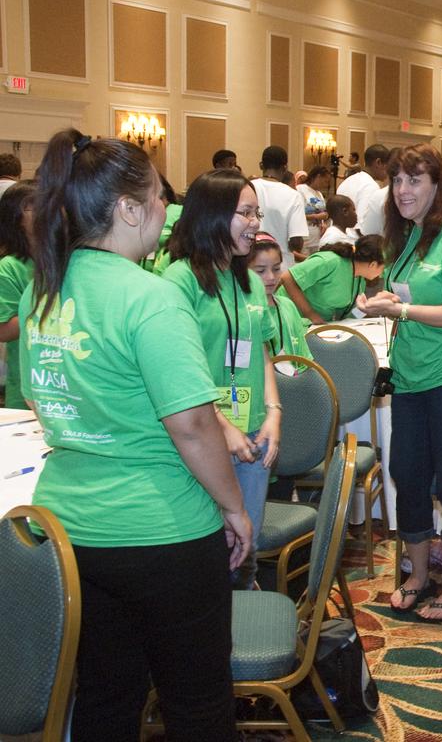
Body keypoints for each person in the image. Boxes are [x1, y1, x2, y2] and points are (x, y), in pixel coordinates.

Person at [20, 129, 250, 740]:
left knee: (103, 699)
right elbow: (194, 426)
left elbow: (46, 402)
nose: (164, 211)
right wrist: (234, 507)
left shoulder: (43, 291)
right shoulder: (150, 299)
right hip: (161, 532)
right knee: (197, 703)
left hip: (66, 534)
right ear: (126, 209)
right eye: (156, 198)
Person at [357, 143, 442, 622]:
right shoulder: (409, 237)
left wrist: (401, 308)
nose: (403, 190)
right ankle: (416, 574)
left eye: (414, 180)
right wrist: (390, 299)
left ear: (437, 185)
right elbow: (411, 294)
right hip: (410, 379)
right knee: (408, 476)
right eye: (396, 180)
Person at [165, 168, 283, 590]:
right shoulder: (178, 282)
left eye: (257, 213)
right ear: (212, 216)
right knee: (209, 548)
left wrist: (273, 413)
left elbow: (264, 352)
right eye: (245, 213)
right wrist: (221, 423)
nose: (255, 223)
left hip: (252, 434)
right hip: (204, 436)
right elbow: (177, 368)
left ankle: (242, 627)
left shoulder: (249, 280)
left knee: (243, 543)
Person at [280, 235, 385, 324]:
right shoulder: (330, 262)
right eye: (384, 268)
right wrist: (310, 313)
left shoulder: (359, 280)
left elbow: (349, 315)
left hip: (317, 326)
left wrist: (367, 310)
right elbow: (287, 278)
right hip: (287, 317)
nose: (383, 274)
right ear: (373, 264)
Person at [248, 234, 313, 359]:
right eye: (261, 271)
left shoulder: (287, 305)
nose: (271, 277)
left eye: (276, 268)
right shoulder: (243, 312)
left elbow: (304, 358)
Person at [0, 180, 36, 407]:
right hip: (27, 383)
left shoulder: (65, 260)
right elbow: (3, 330)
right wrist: (48, 310)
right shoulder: (10, 267)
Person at [252, 146, 307, 267]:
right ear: (285, 168)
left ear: (261, 165)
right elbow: (296, 243)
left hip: (250, 262)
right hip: (280, 265)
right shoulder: (293, 195)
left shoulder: (247, 187)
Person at [338, 143, 391, 236]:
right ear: (378, 162)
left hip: (338, 239)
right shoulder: (370, 186)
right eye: (388, 165)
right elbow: (362, 228)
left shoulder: (347, 181)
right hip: (354, 243)